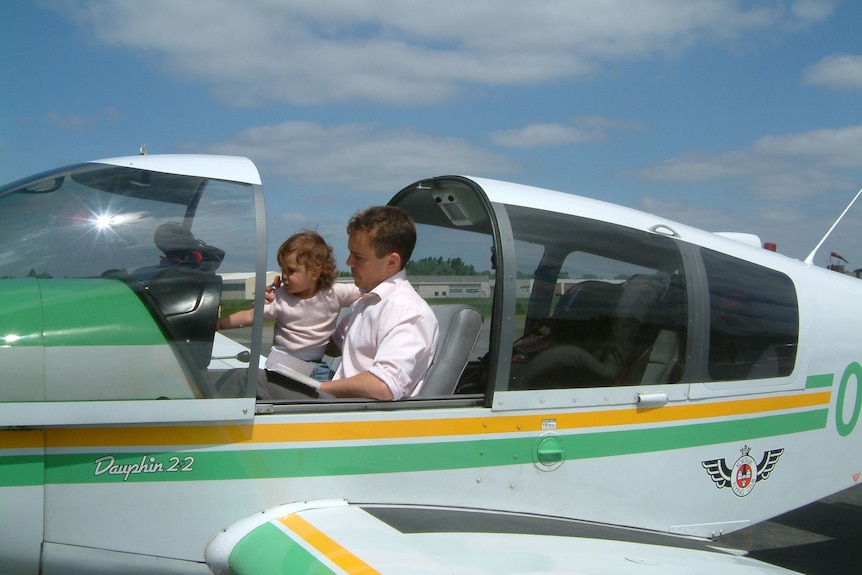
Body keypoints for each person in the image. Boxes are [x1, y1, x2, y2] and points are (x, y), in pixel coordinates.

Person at [320, 206, 438, 400]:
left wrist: (320, 388)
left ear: (391, 263)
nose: (349, 262)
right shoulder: (368, 302)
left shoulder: (406, 311)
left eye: (358, 257)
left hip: (365, 422)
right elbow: (331, 345)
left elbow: (384, 385)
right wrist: (297, 302)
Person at [218, 231, 360, 381]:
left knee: (334, 389)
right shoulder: (280, 298)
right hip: (283, 363)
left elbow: (364, 291)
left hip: (315, 365)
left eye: (291, 271)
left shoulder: (334, 293)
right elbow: (250, 315)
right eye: (283, 270)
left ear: (315, 272)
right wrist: (219, 323)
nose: (284, 276)